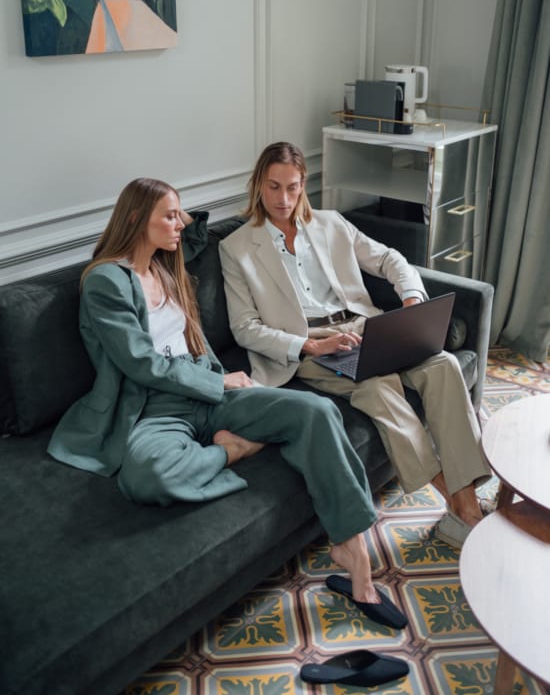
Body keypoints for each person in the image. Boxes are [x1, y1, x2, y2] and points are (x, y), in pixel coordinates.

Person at [47, 177, 407, 630]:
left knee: (316, 411)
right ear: (136, 219)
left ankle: (351, 550)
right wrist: (221, 392)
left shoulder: (164, 264)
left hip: (206, 386)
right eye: (169, 216)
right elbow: (140, 364)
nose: (179, 224)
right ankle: (234, 448)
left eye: (178, 214)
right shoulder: (106, 281)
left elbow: (196, 231)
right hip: (155, 406)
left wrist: (171, 210)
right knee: (147, 475)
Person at [219, 143, 491, 549]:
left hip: (366, 326)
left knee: (444, 365)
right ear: (258, 184)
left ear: (303, 184)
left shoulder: (331, 224)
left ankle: (464, 503)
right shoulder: (237, 248)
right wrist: (312, 346)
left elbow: (390, 259)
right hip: (311, 346)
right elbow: (245, 328)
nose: (283, 199)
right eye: (273, 187)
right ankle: (462, 508)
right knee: (378, 387)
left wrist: (411, 299)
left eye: (292, 187)